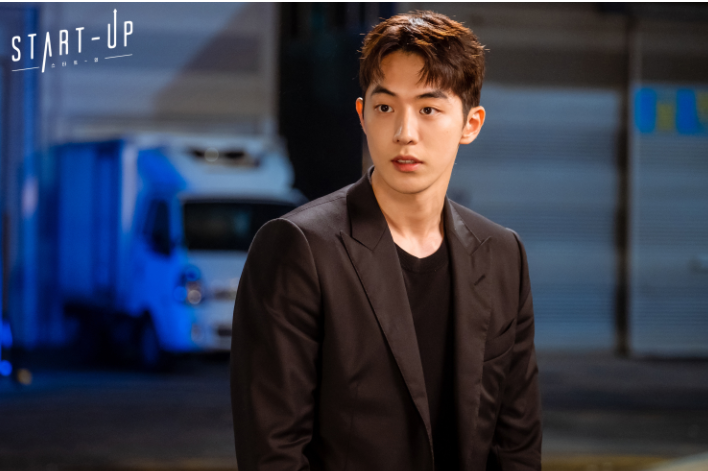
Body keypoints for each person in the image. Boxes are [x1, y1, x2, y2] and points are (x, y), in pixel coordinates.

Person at [230, 10, 542, 471]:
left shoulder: (502, 256)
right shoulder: (298, 248)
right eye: (385, 107)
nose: (404, 133)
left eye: (428, 109)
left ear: (470, 124)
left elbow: (516, 447)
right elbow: (272, 454)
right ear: (362, 115)